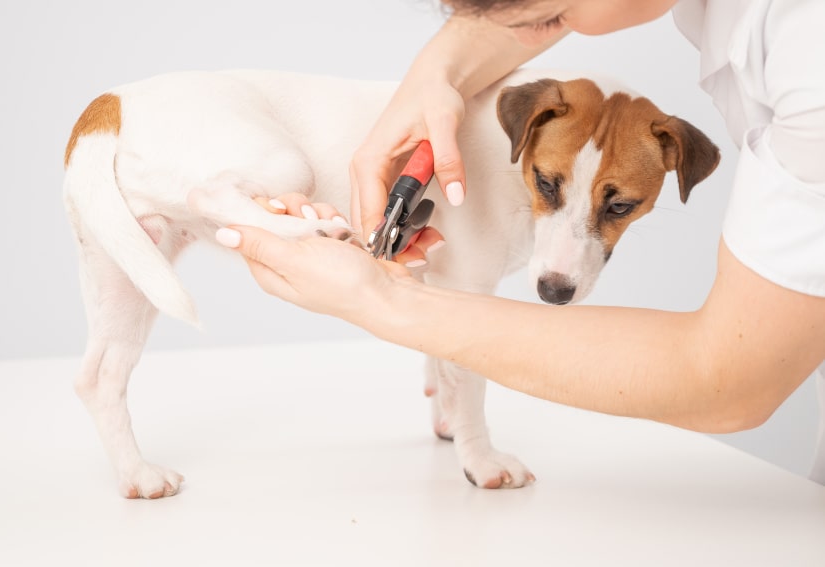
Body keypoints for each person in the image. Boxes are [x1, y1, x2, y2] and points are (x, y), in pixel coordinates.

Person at [215, 0, 825, 483]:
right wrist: (433, 79)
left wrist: (382, 302)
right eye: (541, 19)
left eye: (617, 209)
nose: (539, 35)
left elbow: (731, 385)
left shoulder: (811, 57)